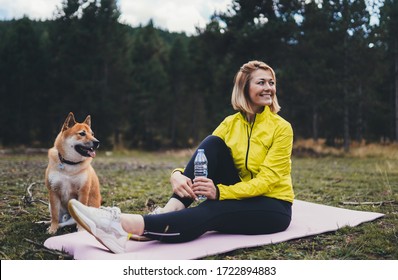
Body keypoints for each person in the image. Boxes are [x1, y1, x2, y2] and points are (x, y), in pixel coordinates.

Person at [68, 60, 294, 254]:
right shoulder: (230, 123)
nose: (269, 88)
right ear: (244, 87)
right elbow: (204, 158)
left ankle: (121, 226)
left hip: (272, 206)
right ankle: (169, 212)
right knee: (212, 144)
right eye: (261, 82)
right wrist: (176, 175)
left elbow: (267, 181)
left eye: (271, 82)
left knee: (211, 210)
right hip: (240, 192)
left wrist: (221, 192)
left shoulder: (282, 128)